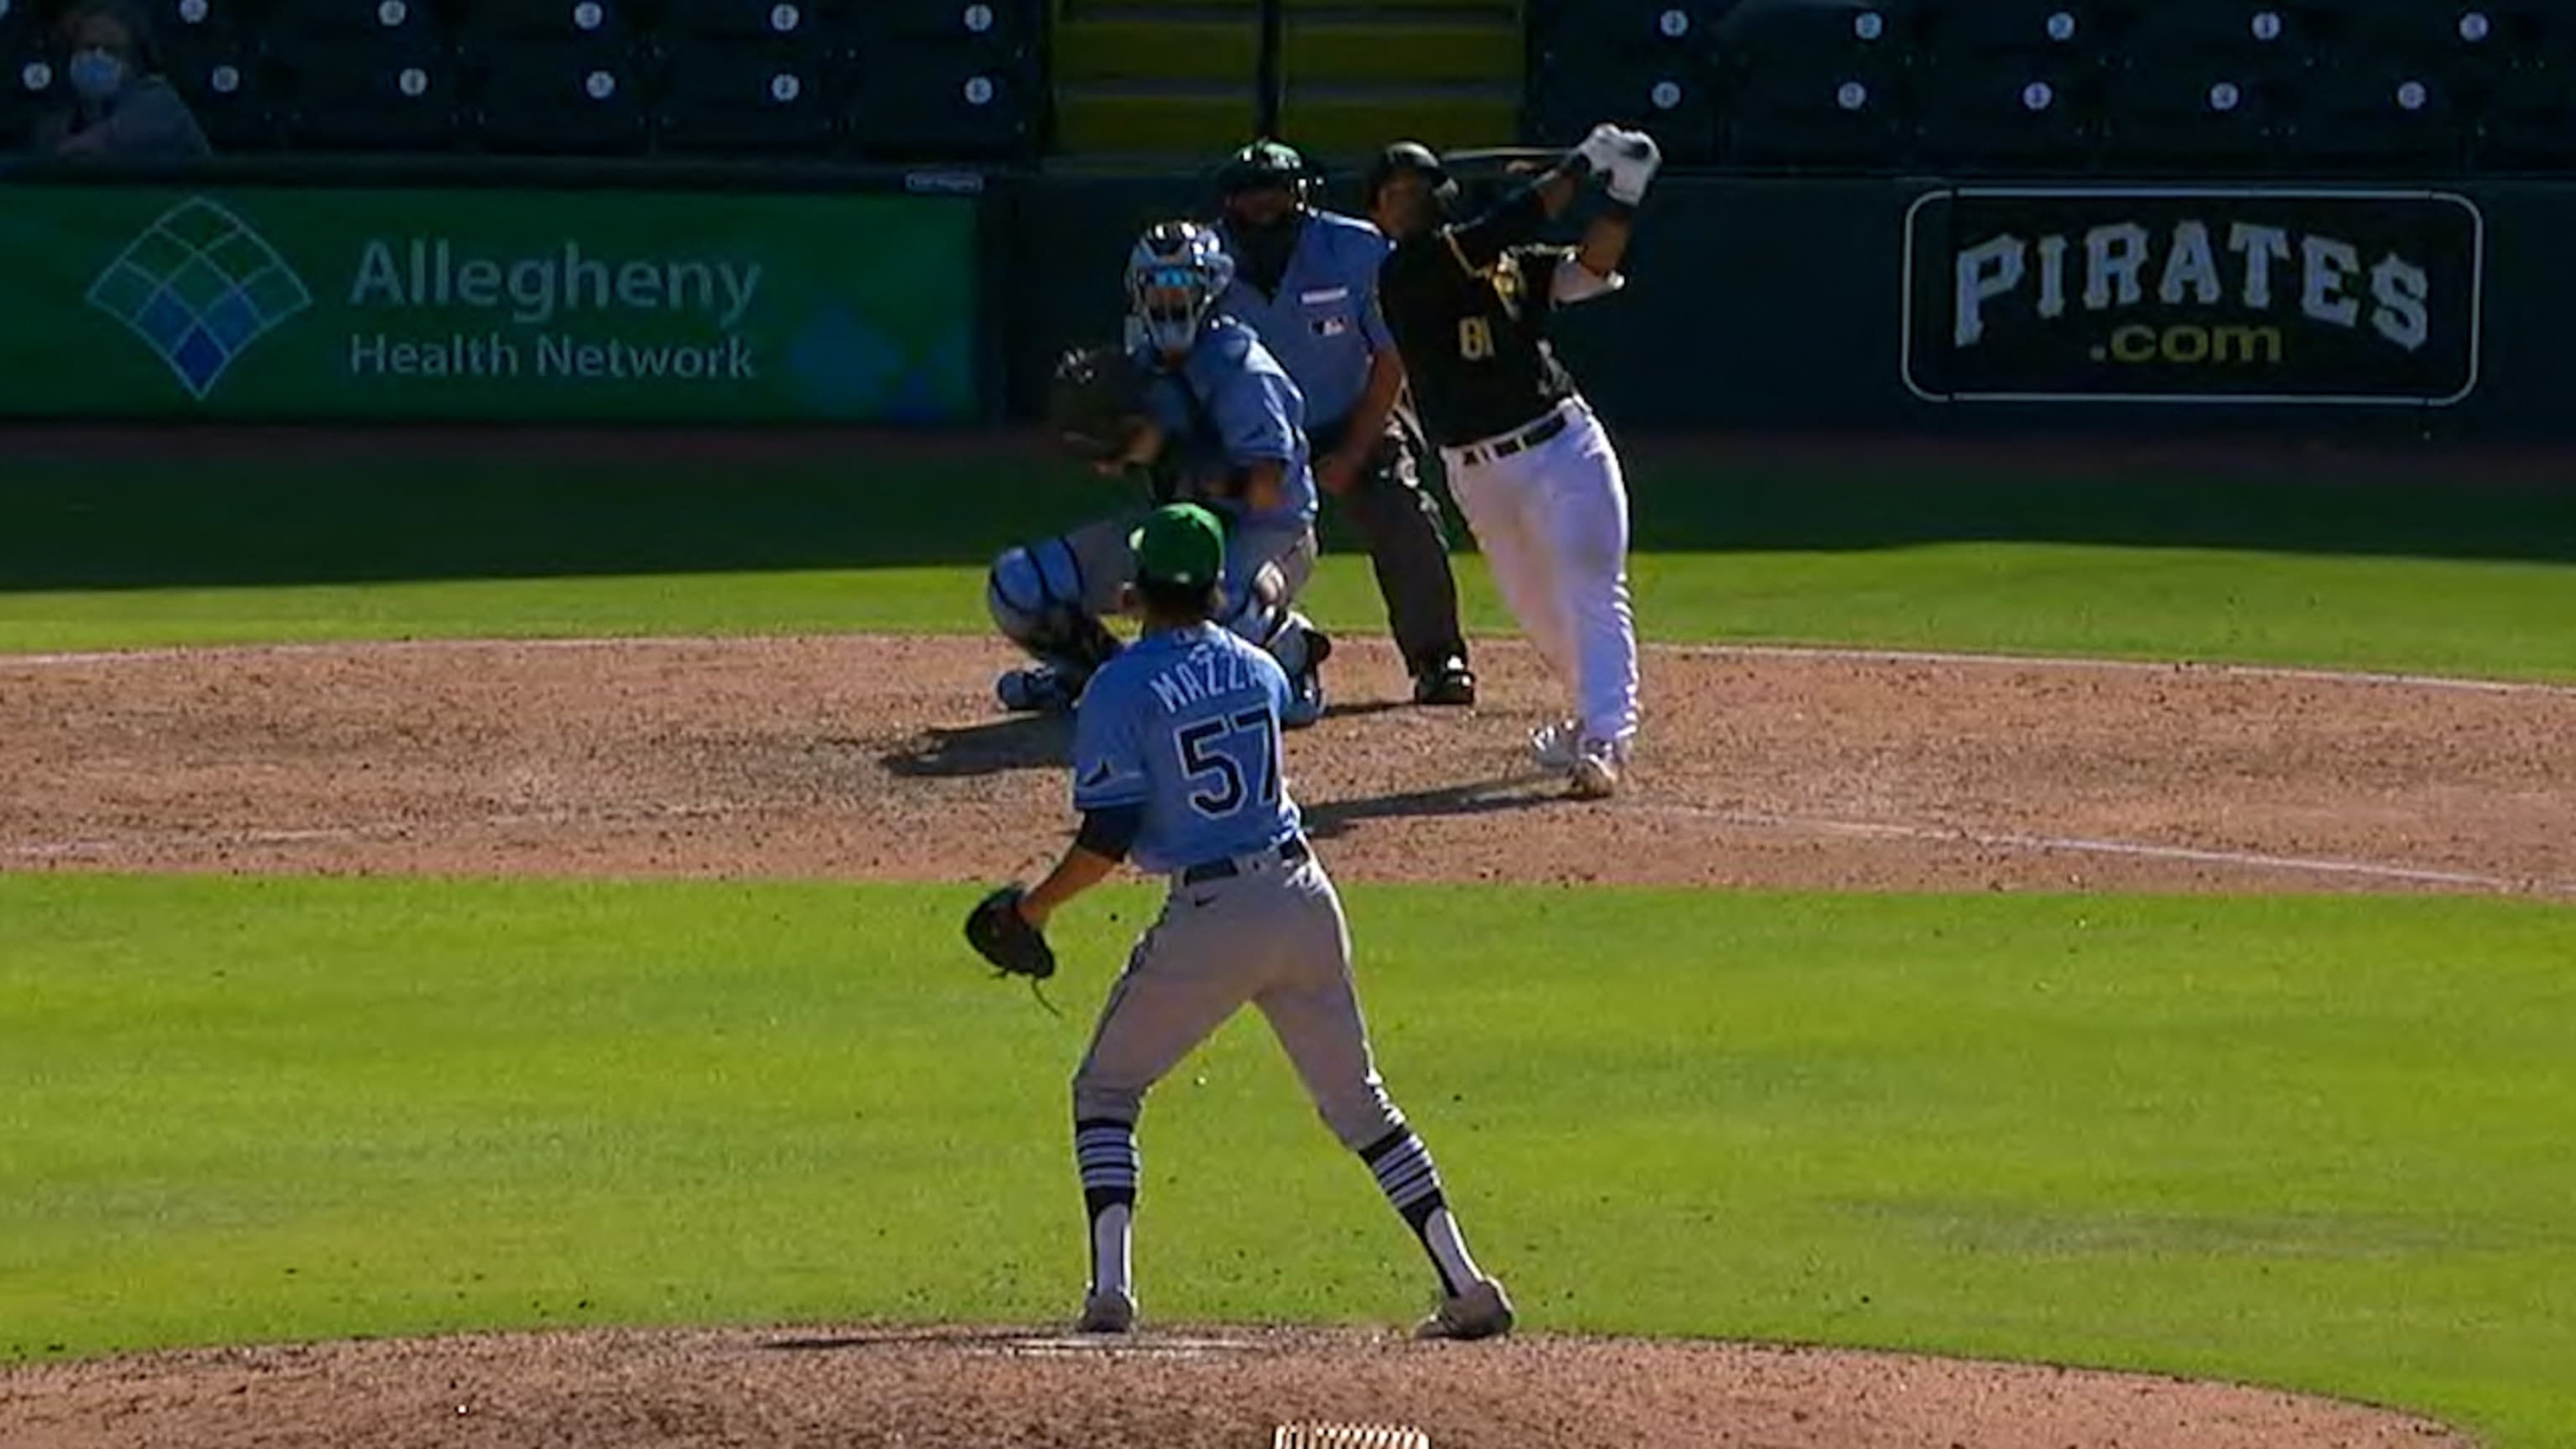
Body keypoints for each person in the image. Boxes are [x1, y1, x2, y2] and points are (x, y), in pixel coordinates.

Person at [1002, 501, 1514, 1340]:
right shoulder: (1256, 667)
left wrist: (1033, 908)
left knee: (1106, 1091)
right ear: (1210, 584)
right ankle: (1466, 1282)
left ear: (1135, 589)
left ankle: (1110, 1292)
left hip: (1212, 917)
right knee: (1362, 1106)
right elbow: (1262, 678)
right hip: (1306, 897)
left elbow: (1107, 836)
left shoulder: (1118, 689)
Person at [1366, 127, 1659, 799]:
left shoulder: (1504, 261)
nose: (1406, 201)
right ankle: (1589, 714)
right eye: (1392, 194)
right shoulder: (1405, 270)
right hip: (1478, 469)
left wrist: (1622, 195)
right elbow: (1506, 222)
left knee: (1592, 582)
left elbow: (1588, 270)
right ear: (1378, 214)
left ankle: (1608, 735)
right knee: (1536, 608)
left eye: (1416, 188)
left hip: (1563, 444)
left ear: (1441, 195)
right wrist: (1580, 164)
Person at [988, 220, 1334, 726]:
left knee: (1211, 612)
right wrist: (1111, 445)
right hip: (1169, 531)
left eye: (1183, 283)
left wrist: (1170, 450)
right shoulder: (1142, 366)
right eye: (1158, 284)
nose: (1170, 297)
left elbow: (1266, 491)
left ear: (1212, 287)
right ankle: (1107, 677)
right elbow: (1123, 463)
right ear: (1138, 291)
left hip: (1270, 533)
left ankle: (1291, 649)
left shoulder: (1244, 371)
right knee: (1018, 584)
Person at [1209, 139, 1478, 709]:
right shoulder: (1202, 258)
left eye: (1276, 191)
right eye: (1250, 193)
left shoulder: (1357, 249)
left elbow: (1391, 357)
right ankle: (1198, 653)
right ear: (1228, 199)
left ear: (1302, 193)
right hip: (1249, 435)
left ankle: (1438, 658)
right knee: (1199, 518)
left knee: (1400, 506)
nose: (1264, 205)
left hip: (1349, 414)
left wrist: (1353, 453)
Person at [29, 0, 211, 164]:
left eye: (112, 51)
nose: (97, 57)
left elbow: (85, 149)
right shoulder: (67, 114)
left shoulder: (160, 105)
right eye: (89, 47)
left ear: (134, 63)